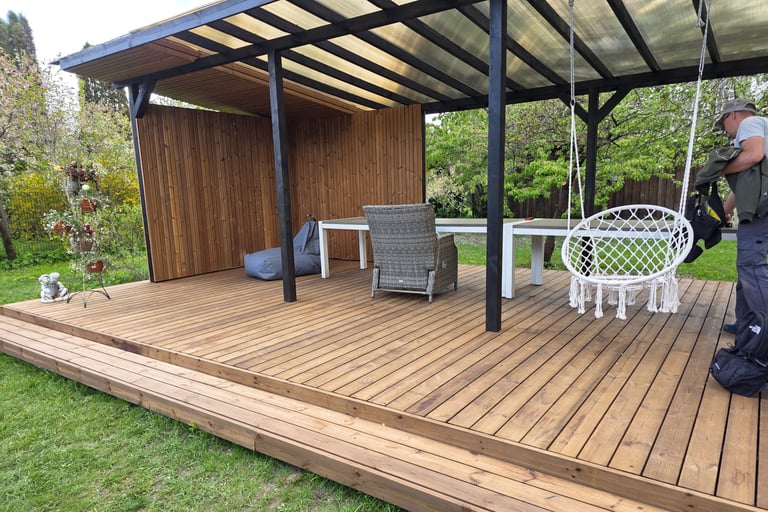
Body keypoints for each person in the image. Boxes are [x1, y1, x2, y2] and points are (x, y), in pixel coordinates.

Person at [714, 98, 768, 333]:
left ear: (733, 116)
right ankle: (747, 324)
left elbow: (753, 155)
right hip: (759, 203)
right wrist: (721, 213)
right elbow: (744, 186)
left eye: (723, 123)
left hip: (763, 208)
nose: (725, 131)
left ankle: (762, 332)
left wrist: (719, 168)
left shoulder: (751, 123)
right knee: (747, 267)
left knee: (750, 265)